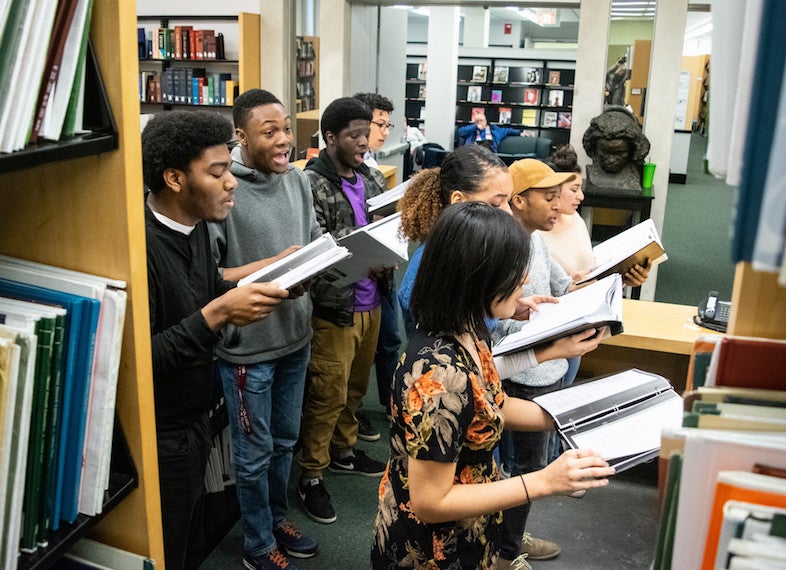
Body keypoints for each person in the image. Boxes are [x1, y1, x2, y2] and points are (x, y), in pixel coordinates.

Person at [370, 202, 615, 569]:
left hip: (470, 527)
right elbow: (431, 502)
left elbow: (492, 405)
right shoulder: (438, 376)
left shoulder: (470, 330)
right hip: (432, 550)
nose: (526, 283)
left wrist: (572, 416)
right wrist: (544, 481)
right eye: (514, 274)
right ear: (478, 281)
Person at [142, 111, 289, 570]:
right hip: (162, 431)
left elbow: (207, 295)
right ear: (174, 178)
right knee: (166, 547)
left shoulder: (198, 228)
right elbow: (140, 360)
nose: (232, 183)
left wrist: (276, 283)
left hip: (194, 415)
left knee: (188, 537)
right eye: (218, 172)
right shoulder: (140, 248)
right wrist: (218, 314)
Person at [208, 89, 321, 570]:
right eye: (269, 132)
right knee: (252, 455)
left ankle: (276, 518)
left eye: (286, 129)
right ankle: (256, 543)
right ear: (240, 136)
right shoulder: (222, 188)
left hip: (296, 335)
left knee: (284, 442)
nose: (283, 141)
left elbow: (314, 243)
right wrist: (274, 267)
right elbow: (211, 276)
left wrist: (321, 263)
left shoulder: (296, 182)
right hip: (247, 350)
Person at [494, 158, 605, 568]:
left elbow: (562, 288)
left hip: (547, 368)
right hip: (520, 375)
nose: (558, 205)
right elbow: (495, 329)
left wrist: (605, 281)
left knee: (526, 465)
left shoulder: (537, 239)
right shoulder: (502, 247)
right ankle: (505, 551)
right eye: (548, 197)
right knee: (522, 468)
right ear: (518, 201)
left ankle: (509, 536)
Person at [298, 97, 392, 525]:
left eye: (365, 132)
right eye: (353, 135)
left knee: (355, 388)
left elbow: (383, 223)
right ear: (330, 137)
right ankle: (311, 476)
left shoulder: (370, 177)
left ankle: (345, 451)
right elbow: (315, 248)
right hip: (335, 307)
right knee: (326, 395)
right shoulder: (310, 184)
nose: (363, 142)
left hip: (372, 300)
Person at [540, 145, 650, 464]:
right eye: (574, 189)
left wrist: (624, 274)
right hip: (552, 332)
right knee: (548, 407)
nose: (581, 197)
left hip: (582, 323)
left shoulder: (574, 221)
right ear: (551, 192)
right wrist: (573, 286)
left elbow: (588, 269)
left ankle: (554, 457)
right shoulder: (534, 233)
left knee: (562, 398)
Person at [352, 91, 401, 438]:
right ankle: (352, 416)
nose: (384, 132)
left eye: (388, 125)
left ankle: (388, 403)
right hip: (356, 276)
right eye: (378, 124)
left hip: (383, 269)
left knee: (389, 338)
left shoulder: (374, 173)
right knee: (354, 357)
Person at [457, 112, 527, 153]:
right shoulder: (471, 131)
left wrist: (519, 133)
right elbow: (461, 132)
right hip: (474, 153)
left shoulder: (494, 130)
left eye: (481, 120)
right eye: (477, 121)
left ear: (485, 121)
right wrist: (475, 127)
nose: (479, 123)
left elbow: (507, 130)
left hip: (490, 153)